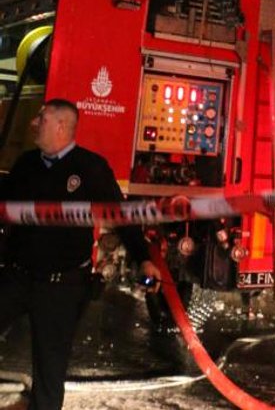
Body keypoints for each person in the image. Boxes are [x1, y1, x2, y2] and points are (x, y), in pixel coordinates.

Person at [0, 98, 161, 410]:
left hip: (60, 287)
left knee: (49, 368)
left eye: (42, 119)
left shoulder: (90, 168)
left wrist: (143, 257)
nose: (34, 124)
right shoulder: (26, 165)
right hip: (17, 278)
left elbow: (122, 215)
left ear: (61, 126)